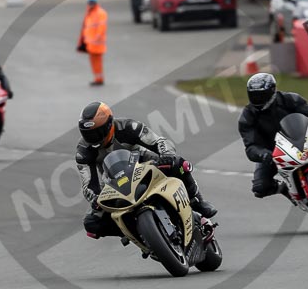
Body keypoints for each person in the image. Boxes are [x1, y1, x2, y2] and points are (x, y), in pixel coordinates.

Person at [76, 101, 217, 238]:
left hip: (146, 164)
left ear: (108, 125)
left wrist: (167, 155)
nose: (92, 138)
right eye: (87, 134)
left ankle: (197, 200)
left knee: (179, 164)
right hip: (115, 183)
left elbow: (158, 141)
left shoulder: (128, 126)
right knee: (91, 224)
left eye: (96, 133)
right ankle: (137, 232)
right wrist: (95, 198)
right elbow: (88, 183)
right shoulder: (83, 150)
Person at [77, 0, 107, 86]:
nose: (91, 4)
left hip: (97, 44)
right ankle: (97, 78)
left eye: (93, 2)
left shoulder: (100, 13)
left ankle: (99, 79)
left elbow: (102, 27)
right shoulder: (89, 13)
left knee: (97, 62)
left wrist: (97, 37)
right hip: (91, 44)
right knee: (94, 62)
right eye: (90, 2)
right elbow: (86, 28)